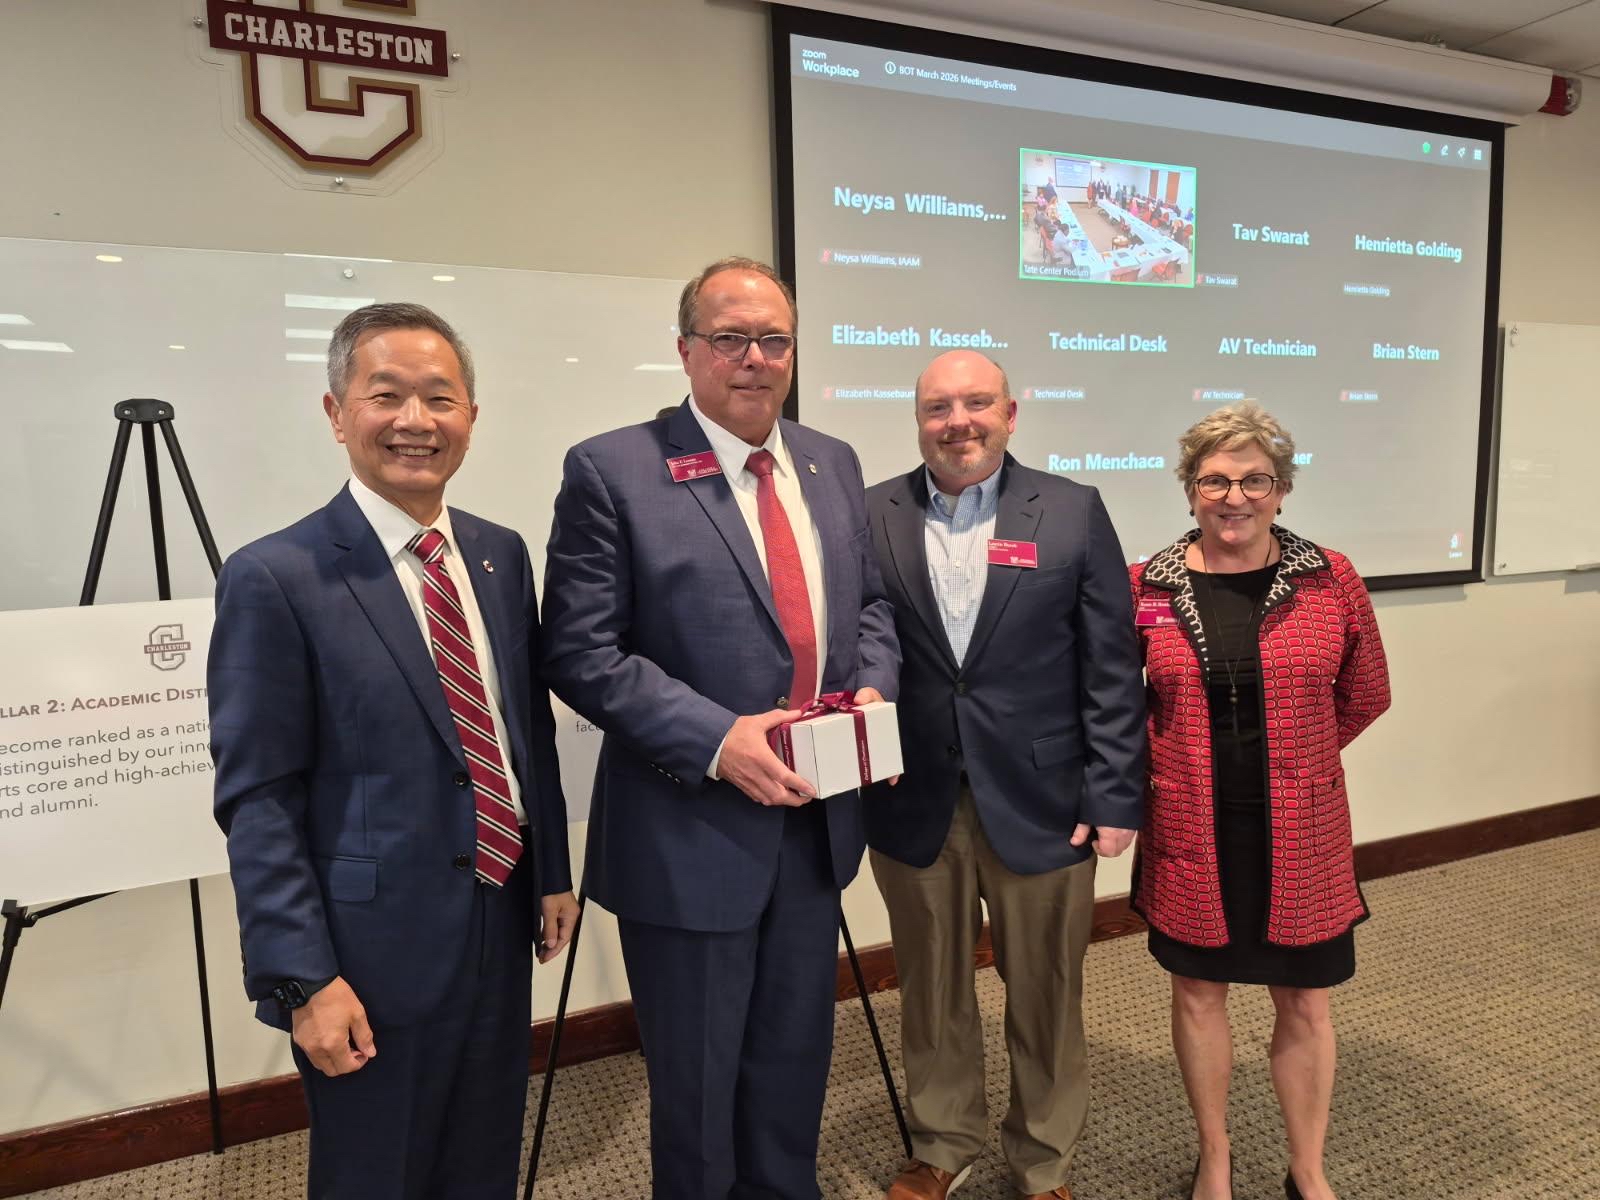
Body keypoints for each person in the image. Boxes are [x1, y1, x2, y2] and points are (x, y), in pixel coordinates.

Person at [541, 256, 901, 1200]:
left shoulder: (831, 460)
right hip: (690, 828)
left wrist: (872, 690)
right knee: (698, 1090)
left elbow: (866, 606)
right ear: (686, 350)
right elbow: (579, 652)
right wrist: (716, 739)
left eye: (773, 340)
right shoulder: (612, 468)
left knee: (792, 1064)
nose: (754, 359)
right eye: (730, 339)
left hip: (815, 817)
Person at [208, 302, 578, 1199]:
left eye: (440, 399)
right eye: (387, 397)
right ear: (337, 413)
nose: (417, 422)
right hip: (366, 950)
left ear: (472, 420)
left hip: (498, 913)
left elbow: (520, 725)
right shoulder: (274, 576)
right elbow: (257, 796)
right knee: (377, 1170)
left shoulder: (497, 553)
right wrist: (305, 981)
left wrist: (553, 871)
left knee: (482, 1156)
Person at [865, 351, 1146, 1200]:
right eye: (938, 407)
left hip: (1045, 798)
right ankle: (944, 1143)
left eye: (977, 402)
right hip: (914, 796)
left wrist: (1113, 791)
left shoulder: (1070, 510)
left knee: (1046, 993)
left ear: (1011, 412)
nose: (959, 421)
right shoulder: (871, 512)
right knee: (931, 985)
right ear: (918, 420)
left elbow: (1110, 665)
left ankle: (1043, 1161)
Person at [1128, 402, 1390, 1200]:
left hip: (1301, 827)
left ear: (1281, 490)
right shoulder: (1146, 584)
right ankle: (1215, 1154)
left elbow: (1367, 691)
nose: (1233, 495)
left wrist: (1299, 762)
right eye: (1214, 478)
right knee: (1200, 993)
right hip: (1189, 824)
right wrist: (1169, 764)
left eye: (1254, 479)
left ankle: (1306, 1167)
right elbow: (1118, 704)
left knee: (1306, 1000)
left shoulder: (1329, 576)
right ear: (1190, 488)